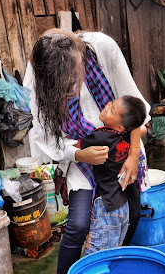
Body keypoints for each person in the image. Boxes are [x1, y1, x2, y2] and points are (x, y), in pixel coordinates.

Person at [23, 29, 150, 273]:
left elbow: (134, 108)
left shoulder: (102, 48)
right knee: (79, 225)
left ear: (81, 56)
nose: (73, 82)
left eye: (75, 71)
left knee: (131, 214)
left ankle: (113, 266)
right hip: (76, 154)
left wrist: (134, 153)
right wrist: (80, 155)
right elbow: (43, 135)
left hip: (121, 153)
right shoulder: (40, 73)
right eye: (65, 79)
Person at [79, 96, 147, 255]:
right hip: (124, 207)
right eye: (111, 103)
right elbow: (142, 129)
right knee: (113, 253)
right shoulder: (128, 134)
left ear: (120, 125)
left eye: (112, 110)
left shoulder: (100, 137)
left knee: (97, 256)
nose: (107, 106)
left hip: (107, 207)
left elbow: (72, 146)